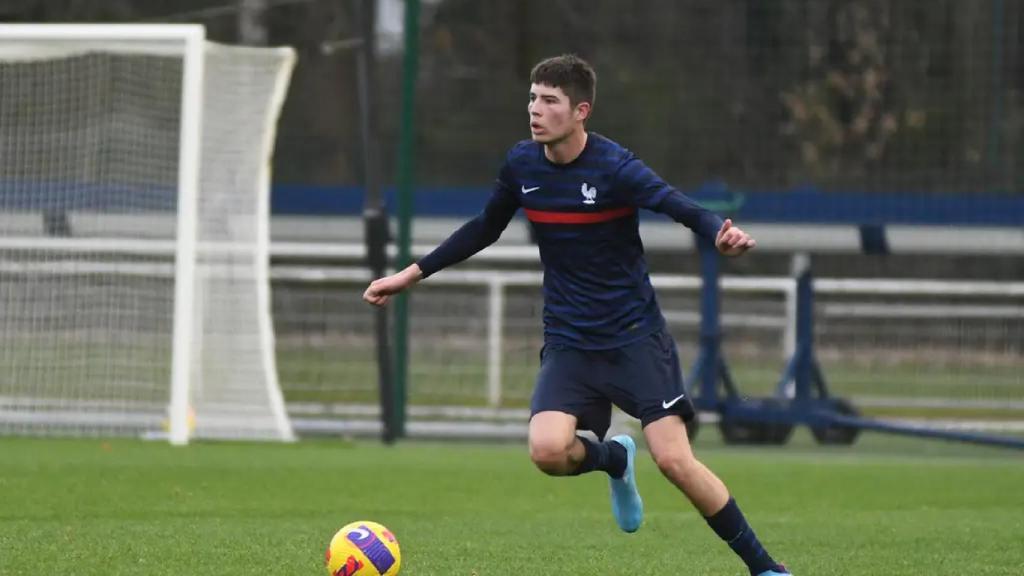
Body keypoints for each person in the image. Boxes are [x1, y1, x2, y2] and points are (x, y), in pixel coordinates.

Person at [363, 54, 790, 576]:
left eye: (549, 101)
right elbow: (484, 227)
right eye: (532, 98)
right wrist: (413, 273)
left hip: (634, 337)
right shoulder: (522, 165)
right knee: (546, 451)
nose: (535, 110)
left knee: (676, 461)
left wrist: (718, 232)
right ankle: (613, 459)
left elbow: (675, 203)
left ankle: (766, 568)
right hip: (570, 342)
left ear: (580, 111)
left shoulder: (615, 167)